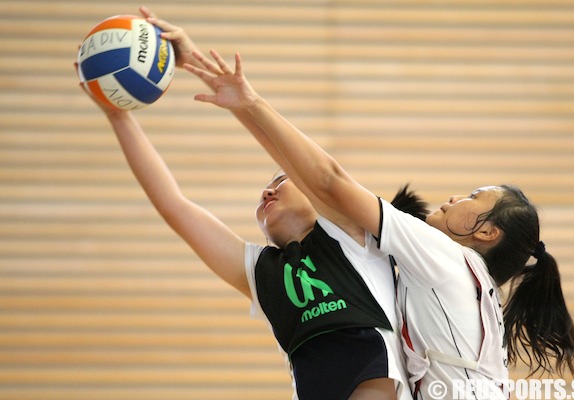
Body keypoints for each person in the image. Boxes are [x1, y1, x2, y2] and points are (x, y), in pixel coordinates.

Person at [183, 48, 574, 398]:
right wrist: (244, 108)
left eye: (473, 198)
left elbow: (327, 182)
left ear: (488, 232)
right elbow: (316, 183)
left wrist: (250, 102)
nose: (455, 197)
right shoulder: (459, 279)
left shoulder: (445, 256)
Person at [75, 7, 413, 399]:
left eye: (280, 181)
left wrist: (240, 97)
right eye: (263, 191)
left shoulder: (352, 234)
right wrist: (118, 118)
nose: (266, 193)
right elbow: (174, 205)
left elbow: (313, 170)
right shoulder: (262, 273)